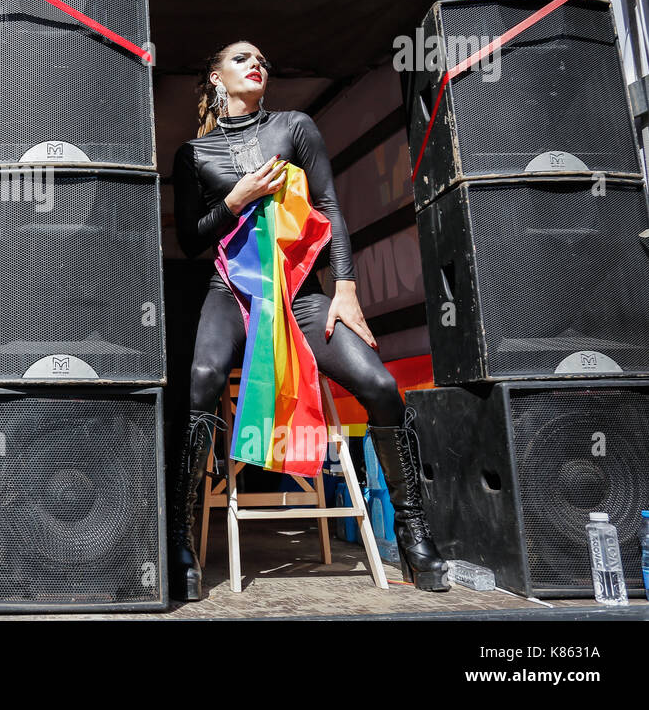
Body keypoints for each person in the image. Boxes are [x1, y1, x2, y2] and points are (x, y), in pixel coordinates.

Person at [171, 40, 449, 598]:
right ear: (215, 75)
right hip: (233, 290)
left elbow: (329, 208)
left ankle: (414, 530)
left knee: (380, 385)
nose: (258, 64)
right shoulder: (192, 154)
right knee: (200, 379)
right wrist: (235, 200)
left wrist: (345, 290)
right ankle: (180, 537)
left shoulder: (296, 127)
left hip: (299, 290)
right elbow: (188, 238)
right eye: (243, 58)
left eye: (264, 60)